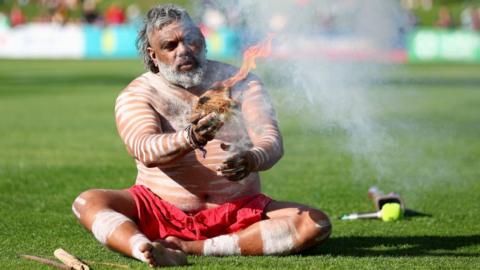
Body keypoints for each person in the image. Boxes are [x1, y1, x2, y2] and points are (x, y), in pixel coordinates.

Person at [72, 4, 331, 267]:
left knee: (315, 223)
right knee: (87, 202)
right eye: (170, 46)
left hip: (239, 210)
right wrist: (190, 138)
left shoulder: (241, 81)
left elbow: (271, 141)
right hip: (160, 209)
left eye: (191, 41)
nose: (183, 51)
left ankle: (189, 247)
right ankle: (142, 247)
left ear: (203, 42)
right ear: (153, 55)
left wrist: (253, 158)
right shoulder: (139, 93)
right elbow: (144, 149)